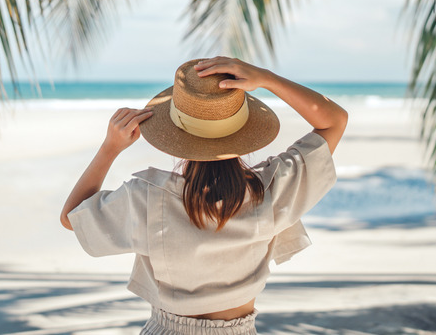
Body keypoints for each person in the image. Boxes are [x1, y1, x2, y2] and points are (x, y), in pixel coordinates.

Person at [60, 56, 348, 334]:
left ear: (173, 133)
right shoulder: (271, 190)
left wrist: (110, 147)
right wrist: (265, 78)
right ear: (245, 129)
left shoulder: (146, 198)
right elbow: (334, 120)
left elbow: (72, 218)